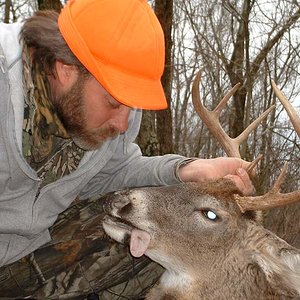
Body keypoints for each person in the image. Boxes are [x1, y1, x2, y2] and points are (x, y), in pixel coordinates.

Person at [0, 0, 253, 298]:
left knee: (166, 239)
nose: (123, 124)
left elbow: (112, 172)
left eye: (131, 106)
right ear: (66, 70)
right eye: (114, 102)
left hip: (28, 253)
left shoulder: (117, 113)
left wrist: (186, 169)